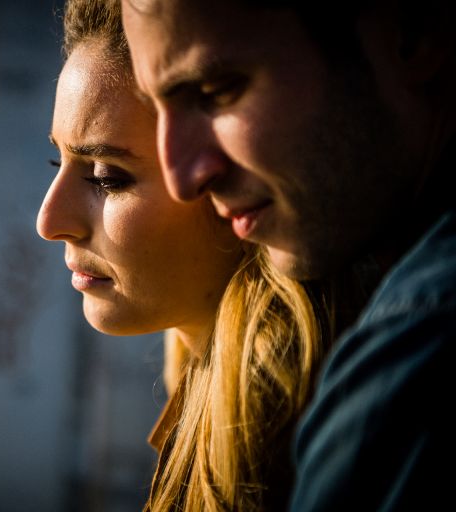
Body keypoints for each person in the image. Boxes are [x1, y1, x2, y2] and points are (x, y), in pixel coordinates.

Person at [122, 0, 456, 509]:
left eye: (217, 92)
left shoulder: (417, 352)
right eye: (158, 107)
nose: (183, 179)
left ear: (411, 34)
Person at [37, 0, 361, 509]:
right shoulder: (206, 393)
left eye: (107, 177)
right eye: (58, 160)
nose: (49, 222)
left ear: (222, 182)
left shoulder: (307, 435)